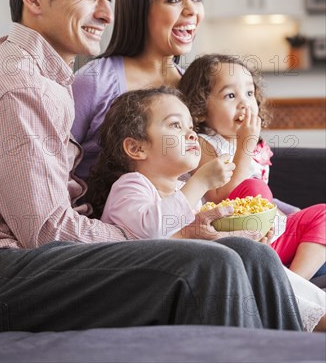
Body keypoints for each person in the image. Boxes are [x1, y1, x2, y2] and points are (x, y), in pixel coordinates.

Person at [0, 0, 303, 333]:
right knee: (211, 264)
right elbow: (46, 232)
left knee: (250, 253)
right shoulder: (16, 87)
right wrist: (163, 238)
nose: (106, 13)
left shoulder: (42, 79)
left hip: (26, 260)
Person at [87, 86, 325, 332]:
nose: (191, 134)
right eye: (175, 126)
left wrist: (247, 237)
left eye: (191, 127)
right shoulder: (131, 186)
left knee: (261, 263)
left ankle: (319, 311)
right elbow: (151, 232)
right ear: (137, 148)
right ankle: (315, 321)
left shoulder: (186, 191)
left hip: (202, 276)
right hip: (154, 289)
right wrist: (199, 182)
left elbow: (204, 242)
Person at [178, 54, 326, 281]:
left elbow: (268, 204)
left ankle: (294, 282)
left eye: (249, 93)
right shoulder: (202, 143)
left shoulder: (253, 146)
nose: (244, 103)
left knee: (323, 214)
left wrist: (291, 214)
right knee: (254, 187)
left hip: (271, 236)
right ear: (199, 109)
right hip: (233, 237)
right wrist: (245, 144)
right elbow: (221, 196)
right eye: (230, 95)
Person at [71, 0, 205, 182]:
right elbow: (52, 169)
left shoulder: (197, 87)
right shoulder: (94, 81)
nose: (192, 10)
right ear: (139, 8)